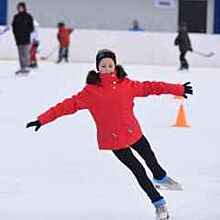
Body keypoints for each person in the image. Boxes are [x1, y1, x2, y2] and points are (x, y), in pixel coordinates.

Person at [26, 49, 193, 220]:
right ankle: (159, 205)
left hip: (132, 131)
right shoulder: (90, 92)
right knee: (138, 170)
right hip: (114, 141)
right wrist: (42, 119)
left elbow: (151, 87)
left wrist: (178, 89)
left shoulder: (126, 84)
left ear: (115, 66)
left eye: (110, 65)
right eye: (103, 65)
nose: (107, 68)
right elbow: (65, 106)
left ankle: (160, 177)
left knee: (149, 154)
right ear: (98, 68)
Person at [12, 2, 34, 74]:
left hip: (26, 38)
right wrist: (16, 35)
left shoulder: (28, 16)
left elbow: (31, 27)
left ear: (24, 8)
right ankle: (22, 67)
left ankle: (26, 67)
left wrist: (26, 32)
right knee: (20, 54)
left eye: (21, 7)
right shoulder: (16, 17)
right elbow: (14, 27)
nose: (20, 9)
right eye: (19, 7)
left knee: (26, 53)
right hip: (18, 39)